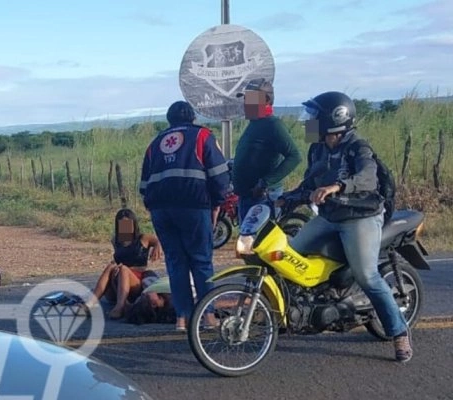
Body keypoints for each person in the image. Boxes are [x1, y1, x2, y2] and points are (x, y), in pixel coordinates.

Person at [291, 90, 412, 363]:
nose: (307, 122)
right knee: (290, 254)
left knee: (367, 275)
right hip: (329, 216)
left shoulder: (358, 147)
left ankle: (399, 332)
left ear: (333, 120)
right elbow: (309, 183)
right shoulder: (318, 149)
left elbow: (366, 178)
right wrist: (281, 199)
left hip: (361, 217)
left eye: (313, 117)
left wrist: (337, 186)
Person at [139, 100, 231, 331]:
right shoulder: (202, 136)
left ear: (169, 120)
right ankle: (208, 316)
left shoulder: (156, 143)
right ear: (193, 118)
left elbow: (143, 185)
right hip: (194, 207)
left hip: (161, 210)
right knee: (201, 262)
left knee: (176, 263)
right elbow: (220, 176)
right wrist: (217, 204)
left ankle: (182, 318)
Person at [232, 78, 302, 222]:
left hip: (263, 197)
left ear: (266, 100)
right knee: (248, 242)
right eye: (245, 99)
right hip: (247, 196)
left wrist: (265, 182)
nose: (245, 103)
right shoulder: (254, 123)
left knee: (261, 242)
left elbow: (294, 156)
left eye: (250, 99)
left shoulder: (273, 124)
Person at [85, 208, 163, 319]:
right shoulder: (115, 240)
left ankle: (120, 307)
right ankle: (90, 304)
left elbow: (160, 240)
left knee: (124, 269)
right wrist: (116, 267)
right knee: (111, 266)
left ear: (133, 224)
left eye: (128, 224)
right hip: (117, 281)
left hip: (136, 280)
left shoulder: (143, 238)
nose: (125, 227)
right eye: (122, 224)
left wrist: (157, 246)